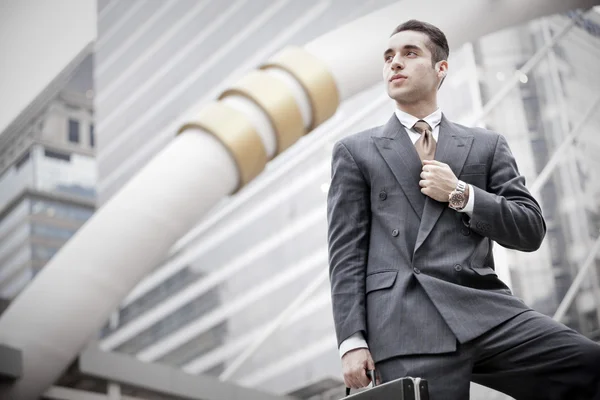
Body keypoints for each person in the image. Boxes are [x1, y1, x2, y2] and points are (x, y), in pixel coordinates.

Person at [327, 19, 600, 400]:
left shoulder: (486, 145)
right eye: (389, 57)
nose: (395, 63)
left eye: (410, 53)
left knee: (589, 363)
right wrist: (351, 340)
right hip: (405, 322)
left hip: (486, 310)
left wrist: (460, 192)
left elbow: (530, 228)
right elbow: (346, 255)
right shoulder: (356, 151)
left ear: (441, 68)